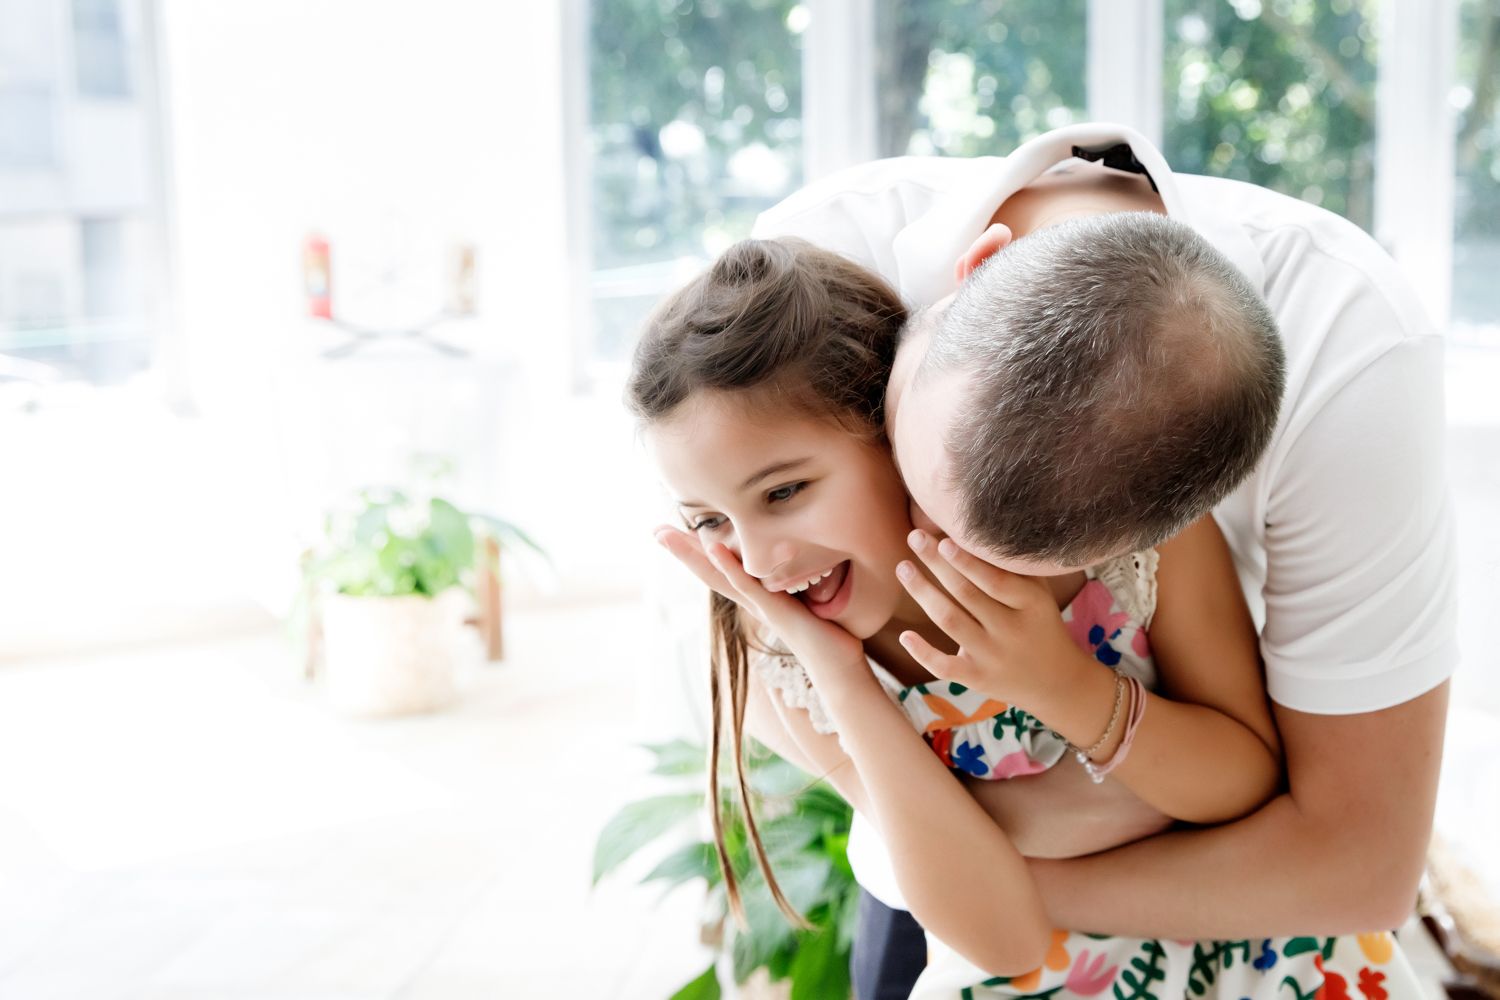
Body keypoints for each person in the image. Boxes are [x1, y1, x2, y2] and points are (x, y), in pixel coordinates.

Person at [754, 122, 1458, 995]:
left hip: (1240, 916)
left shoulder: (1352, 357)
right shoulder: (811, 269)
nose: (936, 547)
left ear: (1149, 537)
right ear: (976, 267)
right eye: (906, 463)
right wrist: (959, 840)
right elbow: (726, 626)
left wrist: (987, 873)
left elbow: (1355, 862)